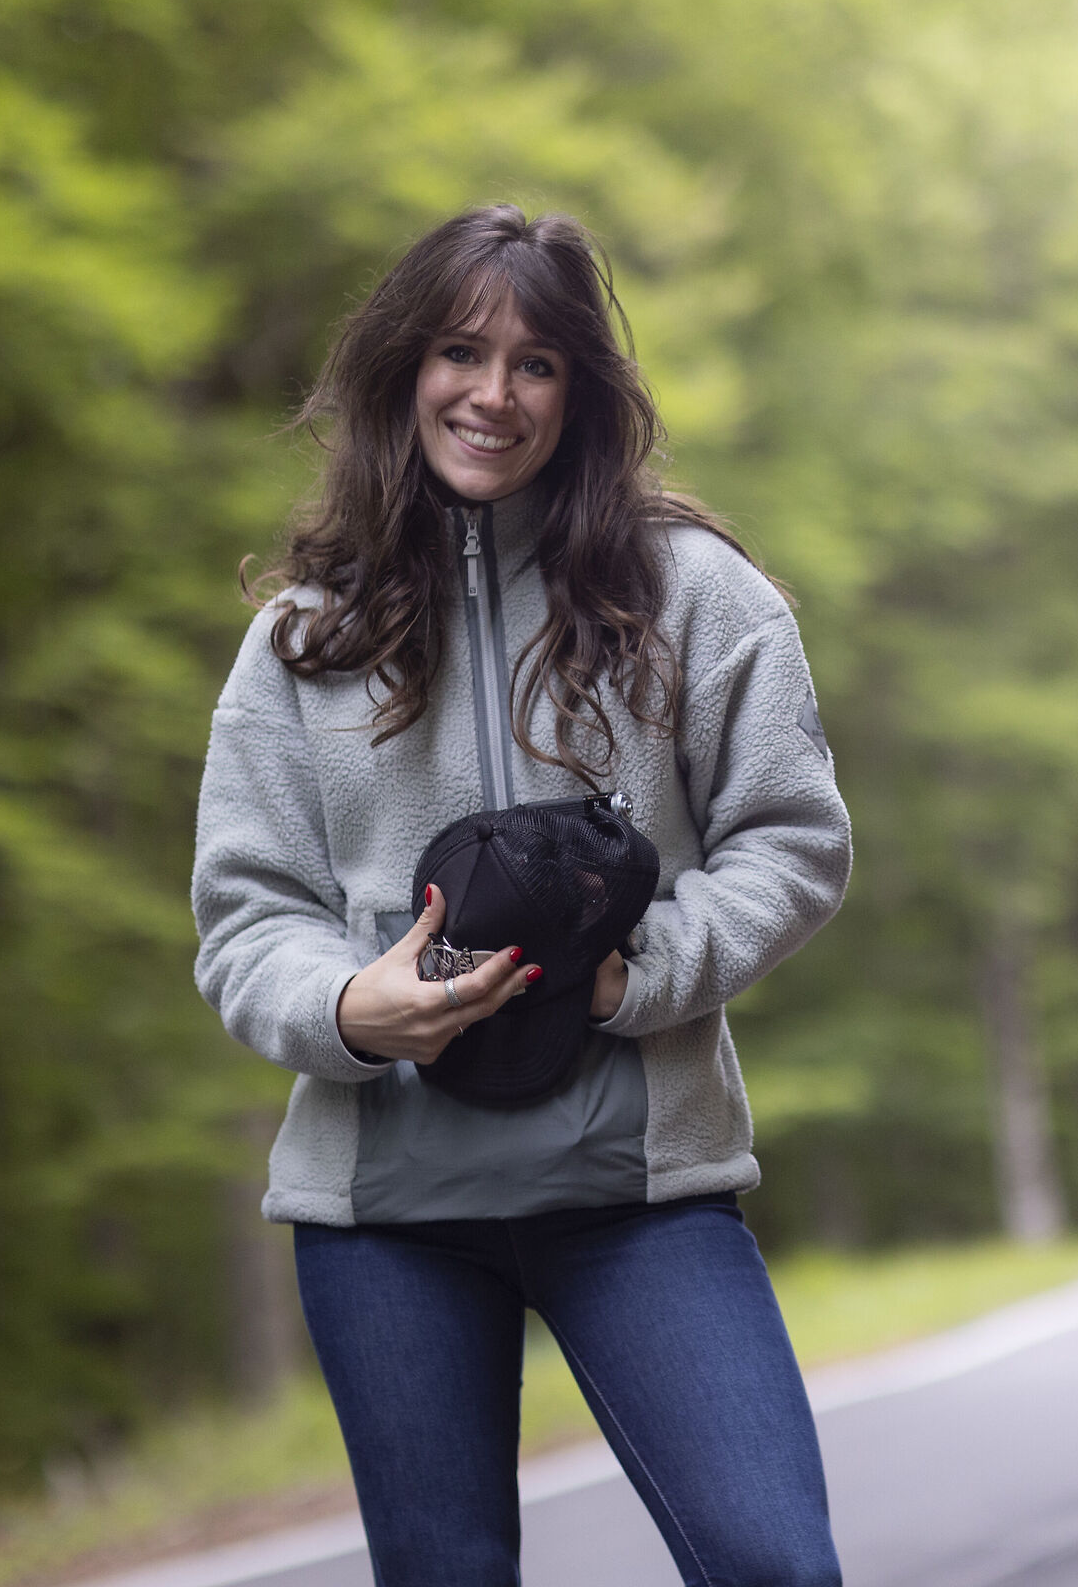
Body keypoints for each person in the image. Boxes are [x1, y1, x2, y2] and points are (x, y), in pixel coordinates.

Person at [191, 203, 851, 1587]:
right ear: (402, 372)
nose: (492, 393)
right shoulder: (301, 642)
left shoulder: (699, 599)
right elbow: (248, 916)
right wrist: (351, 1010)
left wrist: (632, 977)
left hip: (640, 1196)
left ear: (583, 394)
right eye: (458, 352)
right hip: (385, 1215)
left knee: (774, 1564)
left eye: (538, 362)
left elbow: (793, 843)